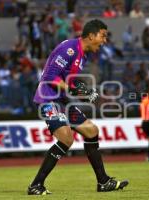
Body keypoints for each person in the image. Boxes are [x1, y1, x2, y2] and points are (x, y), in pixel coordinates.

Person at [28, 19, 129, 195]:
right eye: (103, 36)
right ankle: (36, 185)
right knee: (67, 138)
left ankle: (103, 182)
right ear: (91, 35)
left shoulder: (82, 54)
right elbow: (50, 77)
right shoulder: (69, 50)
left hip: (61, 100)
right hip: (49, 98)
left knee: (91, 131)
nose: (104, 41)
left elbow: (69, 79)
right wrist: (73, 88)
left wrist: (85, 91)